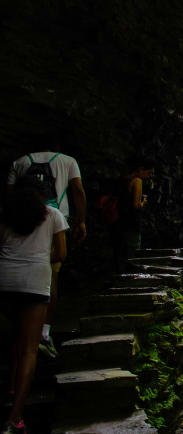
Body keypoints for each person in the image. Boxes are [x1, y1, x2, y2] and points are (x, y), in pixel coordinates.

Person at [0, 176, 67, 434]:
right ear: (43, 194)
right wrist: (37, 257)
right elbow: (60, 254)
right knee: (29, 349)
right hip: (34, 282)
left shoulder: (6, 214)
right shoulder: (52, 215)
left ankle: (10, 388)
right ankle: (14, 418)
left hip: (5, 280)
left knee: (12, 341)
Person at [7, 141, 86, 358]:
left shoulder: (20, 161)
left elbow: (9, 193)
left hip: (18, 221)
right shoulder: (68, 161)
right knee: (50, 277)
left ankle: (15, 333)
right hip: (52, 223)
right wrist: (81, 222)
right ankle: (43, 333)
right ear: (57, 147)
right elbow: (77, 190)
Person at [111, 157, 154, 273]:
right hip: (131, 221)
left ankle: (119, 272)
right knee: (133, 248)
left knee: (120, 249)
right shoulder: (137, 181)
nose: (148, 176)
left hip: (119, 219)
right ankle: (130, 272)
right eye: (148, 172)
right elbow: (135, 205)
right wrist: (143, 202)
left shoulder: (123, 180)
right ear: (140, 169)